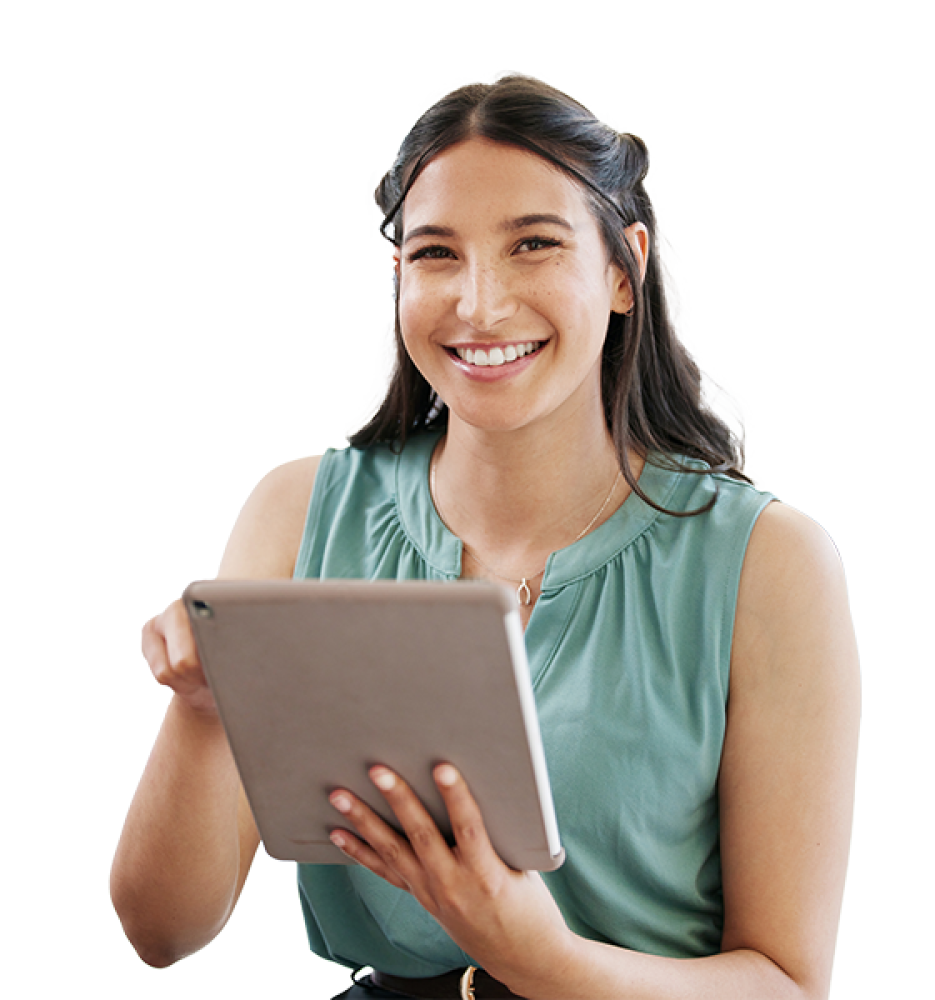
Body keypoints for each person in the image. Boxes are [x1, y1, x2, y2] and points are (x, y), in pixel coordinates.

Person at [111, 71, 860, 999]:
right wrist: (203, 705)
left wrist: (537, 960)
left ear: (624, 269)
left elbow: (787, 985)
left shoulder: (772, 565)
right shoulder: (298, 510)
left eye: (533, 245)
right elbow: (160, 930)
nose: (478, 304)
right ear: (398, 277)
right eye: (435, 255)